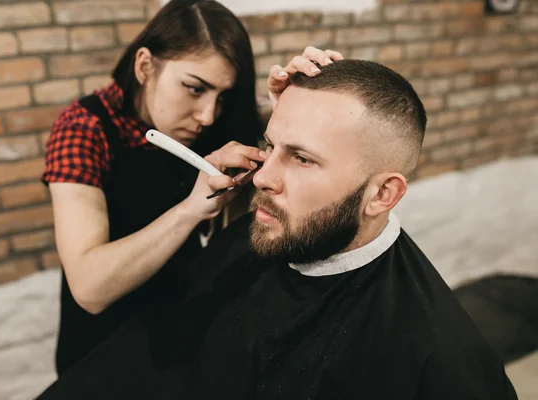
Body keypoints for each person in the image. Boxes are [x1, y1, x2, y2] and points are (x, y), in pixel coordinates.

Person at [37, 59, 517, 399]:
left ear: (382, 195)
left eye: (304, 158)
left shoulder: (441, 363)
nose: (263, 177)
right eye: (272, 146)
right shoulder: (247, 246)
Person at [41, 0, 344, 376]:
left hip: (184, 324)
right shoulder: (84, 128)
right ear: (144, 66)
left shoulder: (217, 116)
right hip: (102, 346)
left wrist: (286, 107)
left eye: (222, 96)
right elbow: (89, 288)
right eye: (193, 88)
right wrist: (190, 210)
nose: (207, 116)